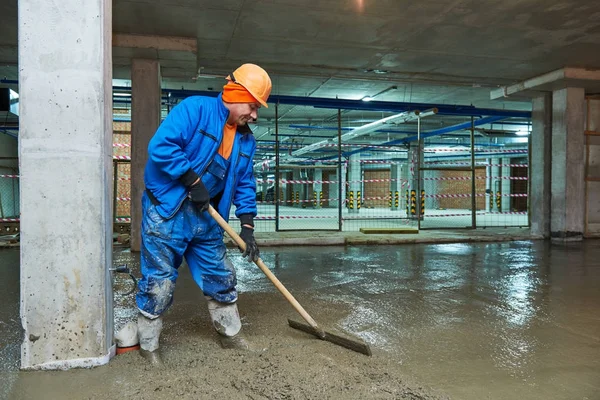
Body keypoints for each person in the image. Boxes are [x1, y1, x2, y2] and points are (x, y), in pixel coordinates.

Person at [135, 63, 271, 362]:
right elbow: (161, 146)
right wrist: (192, 180)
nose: (255, 115)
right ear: (236, 94)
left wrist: (247, 227)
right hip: (168, 213)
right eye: (252, 105)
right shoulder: (195, 110)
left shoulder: (246, 140)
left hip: (208, 218)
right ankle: (149, 346)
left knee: (221, 276)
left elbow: (245, 182)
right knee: (159, 281)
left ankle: (231, 336)